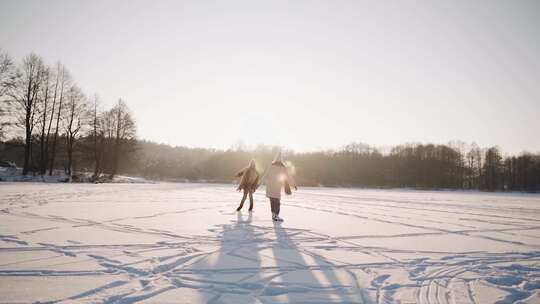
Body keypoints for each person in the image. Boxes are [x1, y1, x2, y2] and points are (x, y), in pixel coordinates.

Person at [263, 152, 297, 222]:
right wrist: (294, 185)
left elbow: (265, 175)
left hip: (270, 186)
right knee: (277, 201)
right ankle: (276, 215)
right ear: (281, 159)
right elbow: (288, 176)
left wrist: (257, 185)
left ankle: (273, 215)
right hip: (277, 187)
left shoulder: (271, 166)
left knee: (272, 201)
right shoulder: (283, 167)